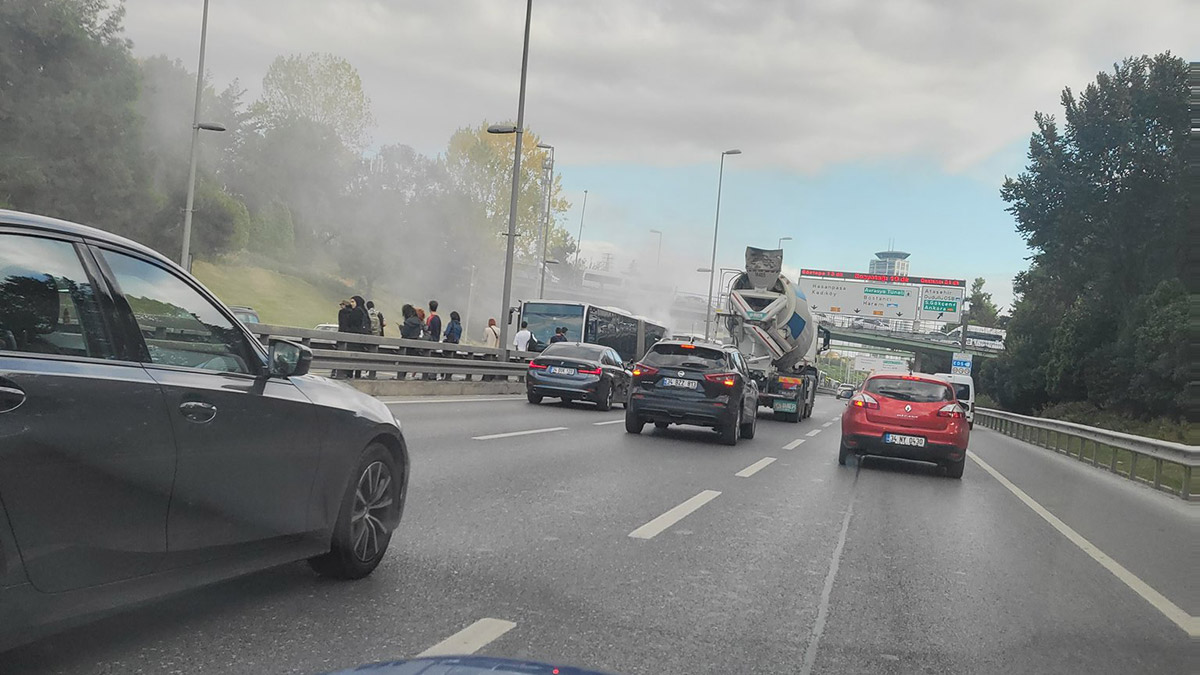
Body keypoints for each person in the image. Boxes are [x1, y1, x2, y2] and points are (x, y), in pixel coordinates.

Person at [400, 304, 422, 380]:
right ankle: (404, 376)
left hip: (407, 345)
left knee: (402, 361)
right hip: (415, 345)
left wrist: (401, 329)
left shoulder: (408, 321)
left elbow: (404, 333)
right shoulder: (418, 321)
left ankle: (401, 376)